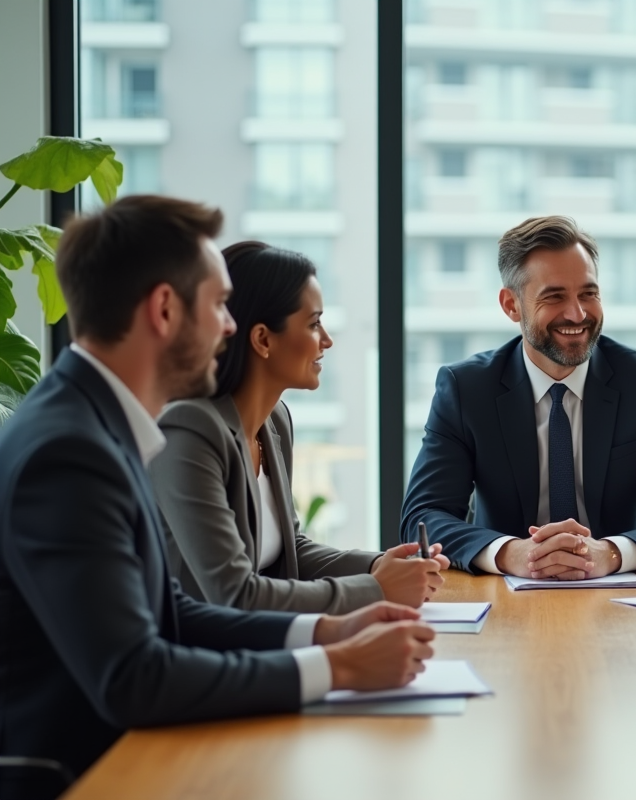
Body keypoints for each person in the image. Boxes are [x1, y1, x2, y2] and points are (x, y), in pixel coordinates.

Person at [0, 196, 435, 798]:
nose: (230, 326)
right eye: (217, 305)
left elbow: (171, 611)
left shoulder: (95, 422)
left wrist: (327, 633)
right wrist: (338, 667)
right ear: (164, 310)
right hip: (91, 774)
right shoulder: (70, 452)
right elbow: (134, 677)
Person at [402, 215, 636, 579]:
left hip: (624, 592)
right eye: (554, 296)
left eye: (588, 294)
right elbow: (422, 518)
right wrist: (509, 553)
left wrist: (611, 553)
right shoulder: (466, 389)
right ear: (511, 305)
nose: (577, 313)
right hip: (503, 598)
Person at [151, 241, 447, 614]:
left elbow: (292, 550)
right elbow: (233, 594)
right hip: (199, 644)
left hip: (263, 637)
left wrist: (381, 565)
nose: (327, 340)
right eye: (313, 324)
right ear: (263, 339)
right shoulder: (188, 432)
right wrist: (376, 588)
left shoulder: (275, 420)